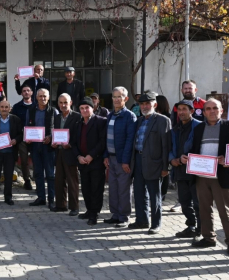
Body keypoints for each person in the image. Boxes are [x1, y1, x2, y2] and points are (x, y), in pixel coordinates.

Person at [182, 98, 229, 254]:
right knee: (204, 209)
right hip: (202, 176)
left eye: (215, 108)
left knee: (225, 210)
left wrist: (227, 158)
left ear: (221, 110)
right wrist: (187, 157)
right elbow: (194, 147)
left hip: (222, 175)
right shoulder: (199, 128)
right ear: (204, 111)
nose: (212, 111)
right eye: (208, 108)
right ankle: (208, 238)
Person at [130, 91, 171, 234]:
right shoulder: (139, 121)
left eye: (147, 103)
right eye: (142, 103)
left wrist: (166, 167)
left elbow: (166, 146)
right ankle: (141, 220)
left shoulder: (162, 120)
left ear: (154, 104)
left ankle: (156, 224)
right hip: (138, 161)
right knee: (139, 193)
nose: (144, 106)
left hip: (155, 163)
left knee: (155, 196)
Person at [102, 87, 137, 227]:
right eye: (114, 96)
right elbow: (107, 138)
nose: (116, 99)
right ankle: (115, 214)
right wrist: (105, 156)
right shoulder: (110, 115)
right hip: (111, 158)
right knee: (113, 188)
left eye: (120, 97)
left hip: (122, 160)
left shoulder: (129, 116)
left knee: (124, 189)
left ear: (126, 99)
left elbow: (130, 140)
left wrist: (125, 161)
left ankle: (124, 217)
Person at [169, 100, 201, 239]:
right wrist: (172, 159)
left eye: (184, 109)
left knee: (198, 203)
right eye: (179, 110)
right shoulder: (175, 129)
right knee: (184, 202)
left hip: (195, 172)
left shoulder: (200, 127)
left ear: (192, 111)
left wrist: (188, 157)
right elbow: (170, 148)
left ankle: (201, 229)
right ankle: (191, 225)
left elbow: (201, 148)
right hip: (180, 171)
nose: (181, 112)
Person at [73, 97, 108, 225]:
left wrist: (91, 156)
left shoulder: (101, 121)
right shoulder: (78, 123)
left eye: (87, 107)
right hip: (82, 162)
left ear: (92, 108)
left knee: (96, 189)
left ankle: (94, 214)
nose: (84, 110)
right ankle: (89, 210)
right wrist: (78, 156)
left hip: (96, 162)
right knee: (86, 189)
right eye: (81, 108)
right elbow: (74, 142)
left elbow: (102, 141)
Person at [0, 100, 23, 205]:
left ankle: (8, 197)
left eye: (6, 107)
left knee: (8, 176)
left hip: (10, 153)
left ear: (10, 108)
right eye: (2, 107)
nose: (4, 109)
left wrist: (15, 140)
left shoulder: (15, 120)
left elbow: (20, 134)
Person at [27, 88, 58, 208]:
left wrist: (51, 136)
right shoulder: (31, 110)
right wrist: (27, 137)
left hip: (48, 147)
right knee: (38, 173)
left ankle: (51, 199)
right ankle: (41, 198)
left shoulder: (53, 111)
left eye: (45, 96)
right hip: (35, 146)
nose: (42, 98)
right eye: (40, 96)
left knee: (50, 174)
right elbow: (26, 125)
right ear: (36, 97)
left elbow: (57, 128)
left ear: (49, 97)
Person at [52, 93, 82, 216]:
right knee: (59, 179)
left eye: (65, 102)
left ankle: (74, 207)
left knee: (72, 180)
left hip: (71, 152)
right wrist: (53, 142)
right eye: (61, 103)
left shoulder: (77, 116)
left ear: (71, 102)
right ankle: (61, 205)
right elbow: (57, 133)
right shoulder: (57, 117)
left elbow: (79, 135)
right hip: (59, 151)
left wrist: (70, 144)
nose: (63, 105)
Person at [10, 84, 35, 191]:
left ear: (31, 92)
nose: (26, 92)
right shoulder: (16, 107)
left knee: (37, 160)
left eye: (28, 90)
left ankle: (38, 181)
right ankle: (27, 180)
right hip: (22, 138)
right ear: (21, 93)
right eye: (24, 91)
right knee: (24, 161)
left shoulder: (37, 105)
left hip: (35, 137)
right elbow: (13, 123)